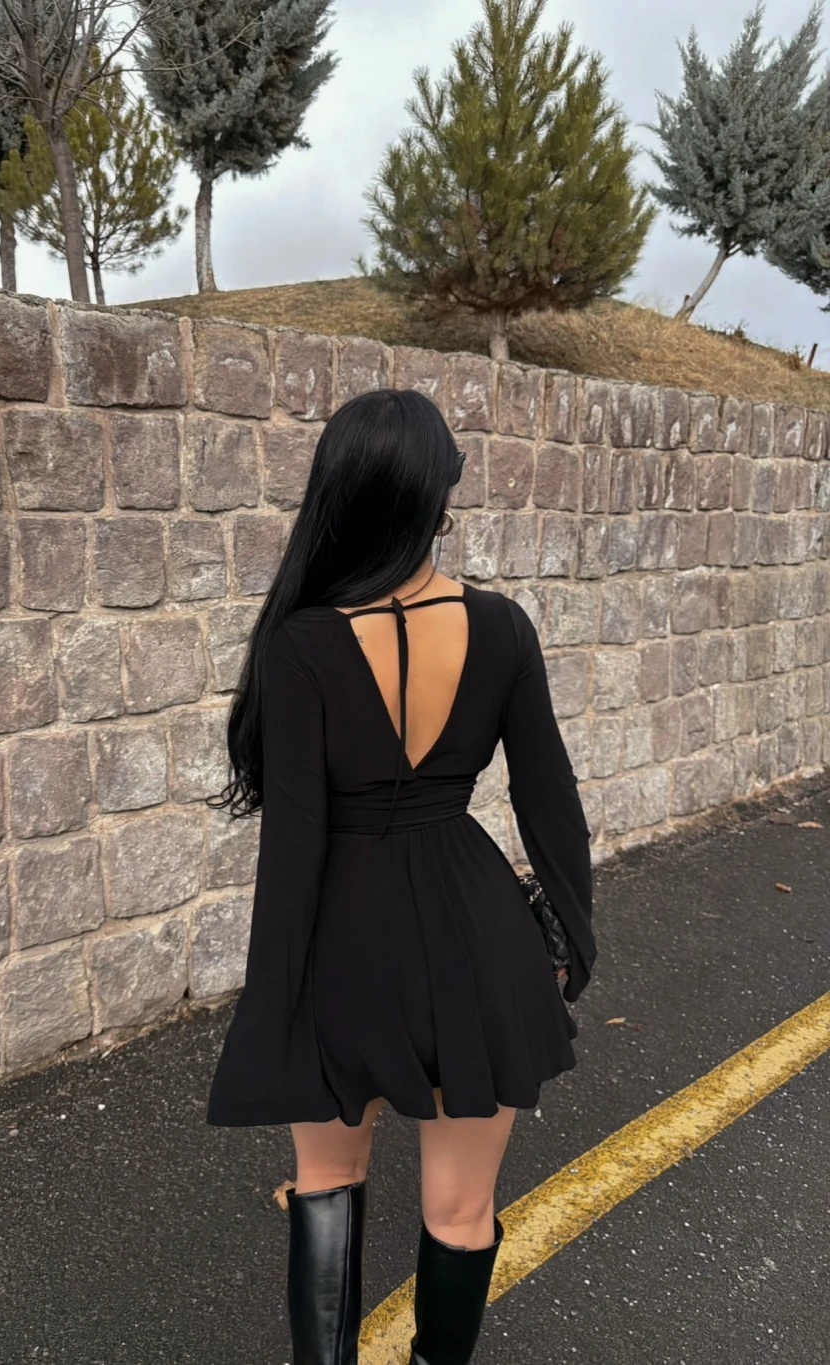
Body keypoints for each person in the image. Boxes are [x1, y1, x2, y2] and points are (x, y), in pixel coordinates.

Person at [205, 387, 596, 1364]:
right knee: (462, 1211)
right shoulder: (502, 627)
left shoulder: (300, 642)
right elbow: (551, 801)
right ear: (436, 495)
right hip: (479, 938)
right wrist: (570, 941)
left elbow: (292, 850)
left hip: (343, 946)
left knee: (326, 1183)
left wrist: (273, 1006)